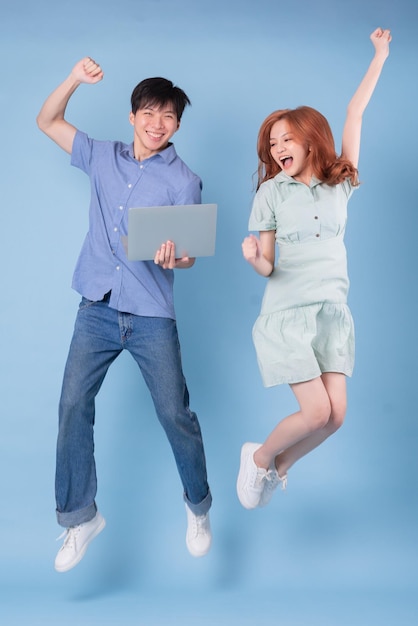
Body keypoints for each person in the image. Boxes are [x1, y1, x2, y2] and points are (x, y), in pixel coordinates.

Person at [36, 57, 212, 572]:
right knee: (72, 405)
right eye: (150, 112)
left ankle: (198, 506)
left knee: (174, 413)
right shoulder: (101, 156)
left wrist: (173, 255)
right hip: (97, 305)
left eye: (169, 117)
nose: (158, 123)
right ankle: (79, 518)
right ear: (133, 115)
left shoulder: (185, 180)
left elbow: (190, 254)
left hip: (152, 314)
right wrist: (72, 79)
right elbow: (47, 121)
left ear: (178, 125)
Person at [237, 28, 391, 509]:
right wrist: (255, 258)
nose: (278, 147)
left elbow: (355, 112)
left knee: (336, 416)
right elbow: (267, 267)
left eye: (287, 138)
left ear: (310, 141)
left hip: (332, 311)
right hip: (288, 313)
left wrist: (380, 54)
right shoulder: (270, 194)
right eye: (272, 142)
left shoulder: (340, 183)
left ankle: (280, 466)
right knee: (316, 410)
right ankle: (259, 457)